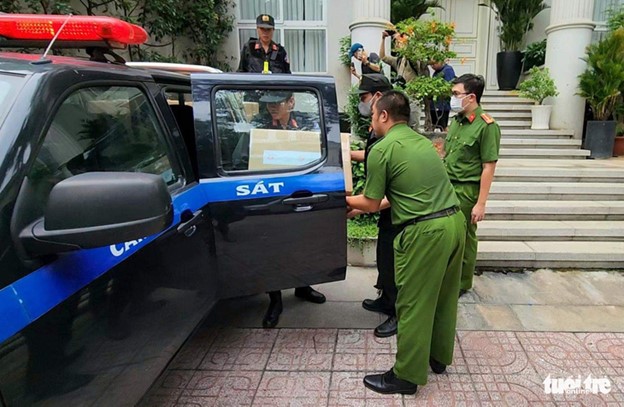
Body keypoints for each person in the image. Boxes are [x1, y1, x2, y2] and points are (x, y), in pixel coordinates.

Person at [346, 90, 465, 395]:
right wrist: (358, 203)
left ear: (384, 115)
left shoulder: (383, 149)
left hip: (425, 233)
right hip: (454, 223)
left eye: (373, 115)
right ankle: (438, 357)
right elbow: (401, 195)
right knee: (443, 295)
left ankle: (406, 376)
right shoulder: (421, 143)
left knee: (411, 302)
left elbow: (372, 203)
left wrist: (343, 201)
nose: (371, 121)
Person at [246, 91, 326, 328]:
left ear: (291, 102)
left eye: (278, 102)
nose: (272, 107)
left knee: (303, 244)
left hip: (301, 194)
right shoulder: (258, 126)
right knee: (273, 247)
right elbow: (241, 157)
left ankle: (303, 286)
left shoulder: (307, 124)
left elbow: (322, 155)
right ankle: (275, 299)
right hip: (271, 195)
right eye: (268, 103)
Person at [349, 74, 398, 338]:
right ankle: (386, 299)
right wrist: (346, 154)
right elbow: (371, 155)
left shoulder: (394, 135)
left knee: (394, 262)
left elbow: (395, 192)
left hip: (397, 210)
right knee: (384, 257)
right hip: (383, 206)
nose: (362, 103)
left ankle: (397, 313)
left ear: (378, 97)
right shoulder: (378, 127)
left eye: (365, 98)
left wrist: (358, 204)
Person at [443, 74, 501, 298]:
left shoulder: (487, 126)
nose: (453, 98)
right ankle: (449, 276)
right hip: (448, 186)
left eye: (456, 94)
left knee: (465, 237)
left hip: (467, 190)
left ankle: (462, 283)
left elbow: (489, 166)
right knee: (449, 235)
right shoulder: (457, 122)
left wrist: (481, 203)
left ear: (471, 97)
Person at [379, 30, 420, 129]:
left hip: (413, 97)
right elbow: (383, 57)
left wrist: (404, 38)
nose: (397, 44)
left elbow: (412, 54)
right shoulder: (398, 61)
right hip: (402, 97)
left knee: (413, 125)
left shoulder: (412, 60)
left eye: (399, 42)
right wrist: (383, 39)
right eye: (396, 42)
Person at [429, 60, 456, 130]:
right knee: (434, 124)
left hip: (442, 104)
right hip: (434, 104)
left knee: (443, 126)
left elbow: (449, 85)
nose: (432, 67)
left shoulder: (447, 70)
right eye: (431, 65)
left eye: (434, 64)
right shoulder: (436, 72)